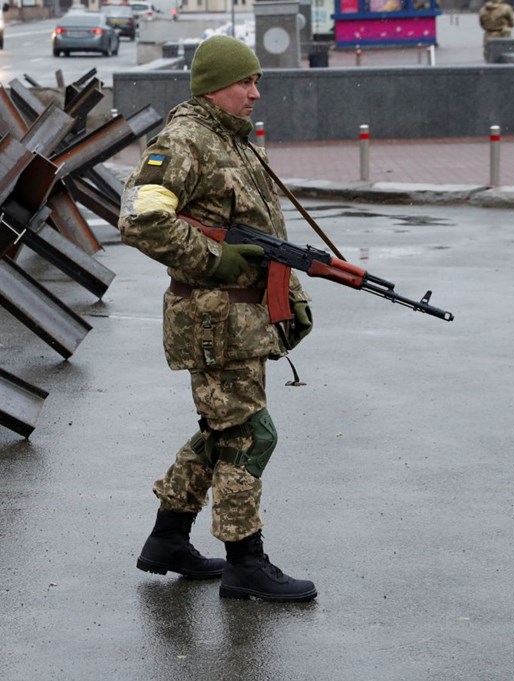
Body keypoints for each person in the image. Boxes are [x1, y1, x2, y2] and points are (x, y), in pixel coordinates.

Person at [118, 35, 317, 603]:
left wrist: (290, 297)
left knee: (222, 429)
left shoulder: (231, 141)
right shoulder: (183, 142)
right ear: (213, 87)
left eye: (257, 81)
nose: (256, 93)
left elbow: (263, 241)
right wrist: (214, 258)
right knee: (250, 434)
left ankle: (167, 540)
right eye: (245, 82)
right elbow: (139, 218)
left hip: (239, 317)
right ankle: (245, 561)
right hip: (211, 321)